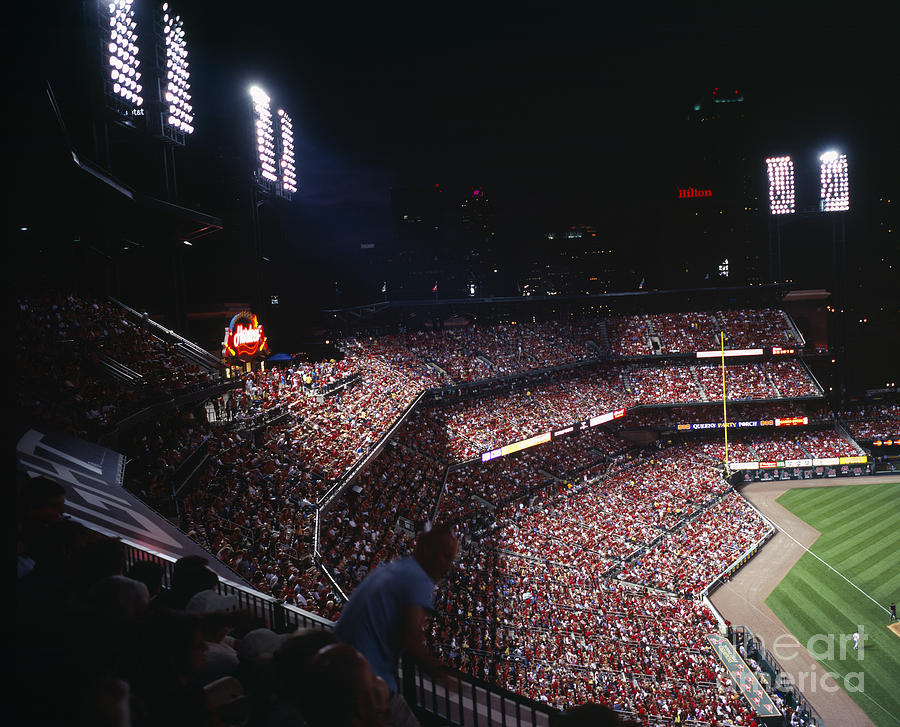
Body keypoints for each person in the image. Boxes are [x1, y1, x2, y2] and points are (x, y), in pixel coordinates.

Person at [335, 525, 459, 727]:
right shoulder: (419, 579)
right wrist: (443, 675)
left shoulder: (393, 567)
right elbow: (413, 644)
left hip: (340, 667)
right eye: (445, 556)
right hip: (367, 681)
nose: (447, 566)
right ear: (427, 549)